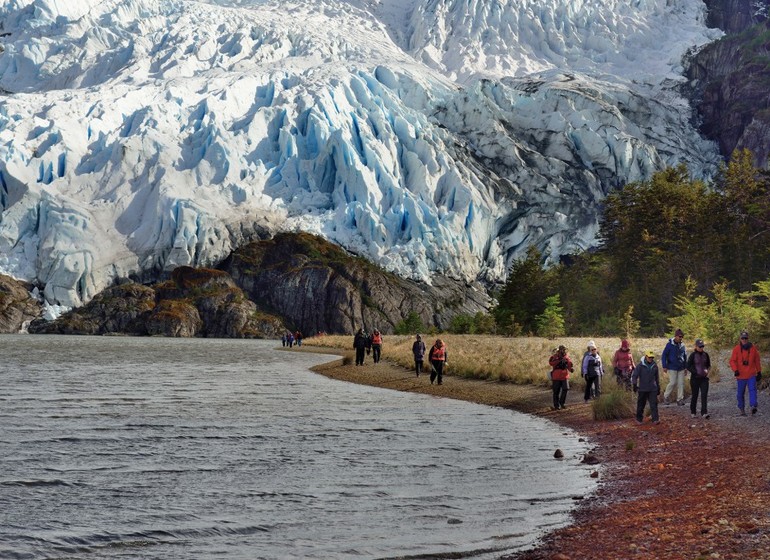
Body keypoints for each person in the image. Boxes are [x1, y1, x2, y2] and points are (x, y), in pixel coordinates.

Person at [729, 330, 762, 416]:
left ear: (748, 338)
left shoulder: (753, 349)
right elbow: (732, 361)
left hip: (751, 374)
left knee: (752, 390)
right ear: (740, 339)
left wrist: (759, 372)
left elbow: (757, 361)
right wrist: (735, 370)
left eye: (745, 338)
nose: (744, 340)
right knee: (740, 394)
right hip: (740, 375)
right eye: (742, 338)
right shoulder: (736, 349)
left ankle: (753, 406)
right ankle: (742, 410)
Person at [632, 350, 661, 424]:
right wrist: (634, 385)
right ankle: (639, 419)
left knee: (654, 404)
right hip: (643, 388)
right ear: (646, 357)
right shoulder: (640, 366)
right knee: (641, 405)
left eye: (652, 357)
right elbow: (635, 375)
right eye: (649, 357)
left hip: (652, 388)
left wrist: (658, 387)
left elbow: (657, 378)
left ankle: (655, 419)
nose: (651, 358)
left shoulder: (655, 366)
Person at [662, 328, 687, 405]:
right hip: (672, 367)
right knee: (672, 382)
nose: (681, 338)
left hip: (681, 367)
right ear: (675, 336)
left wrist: (686, 367)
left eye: (682, 336)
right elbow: (664, 355)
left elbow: (685, 356)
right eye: (679, 336)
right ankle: (665, 396)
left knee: (681, 384)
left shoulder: (682, 345)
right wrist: (664, 366)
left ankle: (680, 399)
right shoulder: (669, 345)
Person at [687, 339, 711, 419]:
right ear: (696, 346)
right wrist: (695, 372)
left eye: (702, 346)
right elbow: (688, 365)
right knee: (695, 395)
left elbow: (708, 365)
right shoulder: (693, 355)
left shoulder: (705, 355)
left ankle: (704, 412)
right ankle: (693, 411)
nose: (701, 348)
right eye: (700, 346)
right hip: (695, 379)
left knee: (704, 395)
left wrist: (707, 370)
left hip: (704, 378)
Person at [548, 345, 574, 410]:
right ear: (560, 350)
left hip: (564, 376)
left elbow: (568, 365)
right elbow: (551, 363)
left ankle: (562, 403)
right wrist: (559, 360)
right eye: (563, 349)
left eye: (565, 349)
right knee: (556, 391)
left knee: (566, 388)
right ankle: (556, 405)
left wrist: (571, 369)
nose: (564, 351)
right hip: (556, 376)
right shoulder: (555, 356)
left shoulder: (566, 357)